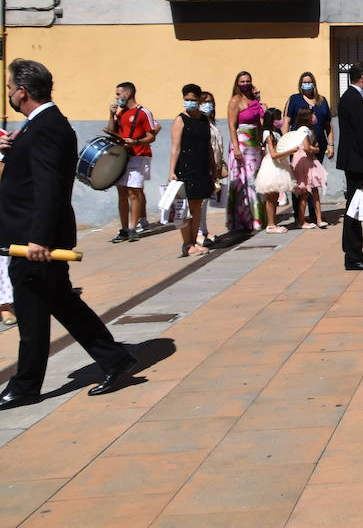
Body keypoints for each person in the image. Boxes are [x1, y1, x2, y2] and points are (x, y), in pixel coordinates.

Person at [0, 59, 138, 409]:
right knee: (61, 301)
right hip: (34, 234)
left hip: (33, 240)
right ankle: (114, 358)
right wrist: (14, 148)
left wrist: (39, 239)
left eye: (9, 87)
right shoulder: (43, 125)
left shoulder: (45, 127)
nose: (8, 93)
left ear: (23, 91)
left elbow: (47, 187)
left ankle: (25, 386)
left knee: (32, 315)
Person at [336, 62, 363, 271]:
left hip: (356, 162)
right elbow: (362, 137)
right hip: (357, 164)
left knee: (356, 209)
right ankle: (353, 256)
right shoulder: (352, 100)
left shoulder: (353, 98)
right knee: (353, 211)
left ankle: (356, 253)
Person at [105, 81, 160, 243]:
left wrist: (136, 142)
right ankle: (124, 229)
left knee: (133, 192)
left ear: (127, 94)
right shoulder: (120, 113)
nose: (116, 98)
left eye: (118, 94)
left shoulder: (143, 112)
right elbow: (110, 131)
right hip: (122, 156)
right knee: (122, 193)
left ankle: (133, 228)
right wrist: (111, 115)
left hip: (139, 155)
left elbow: (152, 135)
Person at [167, 83, 214, 258]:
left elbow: (208, 146)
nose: (189, 103)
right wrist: (172, 171)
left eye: (193, 100)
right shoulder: (180, 120)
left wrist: (213, 167)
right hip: (185, 168)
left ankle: (194, 242)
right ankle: (186, 244)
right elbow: (175, 148)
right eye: (186, 100)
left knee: (197, 207)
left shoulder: (203, 120)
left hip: (201, 167)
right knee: (184, 208)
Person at [285, 71, 333, 230]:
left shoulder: (322, 100)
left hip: (318, 147)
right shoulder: (294, 99)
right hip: (300, 149)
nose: (307, 84)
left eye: (309, 81)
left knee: (314, 181)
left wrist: (330, 144)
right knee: (301, 182)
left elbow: (328, 125)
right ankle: (299, 215)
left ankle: (314, 213)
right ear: (300, 84)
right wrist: (287, 144)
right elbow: (287, 122)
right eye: (304, 82)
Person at [225, 70, 266, 232]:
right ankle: (243, 220)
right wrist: (236, 147)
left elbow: (260, 121)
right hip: (241, 143)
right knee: (243, 182)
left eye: (248, 81)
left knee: (255, 181)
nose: (245, 84)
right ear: (237, 83)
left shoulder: (254, 100)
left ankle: (257, 219)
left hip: (255, 143)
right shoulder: (235, 101)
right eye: (242, 81)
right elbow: (231, 125)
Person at [256, 108, 301, 234]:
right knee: (270, 196)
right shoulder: (267, 133)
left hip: (279, 164)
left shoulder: (275, 133)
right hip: (272, 165)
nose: (280, 120)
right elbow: (274, 154)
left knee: (275, 196)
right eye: (278, 118)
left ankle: (273, 222)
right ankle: (270, 224)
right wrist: (290, 151)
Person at [290, 106, 327, 230]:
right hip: (304, 159)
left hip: (309, 159)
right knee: (305, 192)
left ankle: (319, 218)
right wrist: (316, 149)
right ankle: (301, 220)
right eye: (313, 114)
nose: (315, 117)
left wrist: (314, 147)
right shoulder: (303, 130)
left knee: (314, 190)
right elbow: (307, 147)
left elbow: (313, 143)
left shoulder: (309, 129)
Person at [196, 91, 226, 246]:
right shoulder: (199, 123)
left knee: (206, 201)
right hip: (203, 166)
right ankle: (198, 233)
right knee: (199, 202)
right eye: (205, 101)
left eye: (211, 102)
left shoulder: (211, 123)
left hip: (213, 166)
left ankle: (204, 230)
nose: (209, 105)